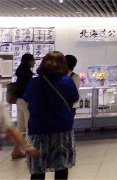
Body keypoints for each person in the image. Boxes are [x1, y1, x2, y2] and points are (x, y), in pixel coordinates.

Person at [23, 51, 79, 180]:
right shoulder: (67, 81)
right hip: (62, 129)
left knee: (37, 169)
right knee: (61, 167)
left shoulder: (34, 82)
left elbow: (26, 99)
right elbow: (75, 99)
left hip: (38, 129)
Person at [13, 53, 35, 158]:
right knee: (28, 125)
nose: (34, 62)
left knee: (20, 126)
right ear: (28, 61)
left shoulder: (20, 72)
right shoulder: (28, 74)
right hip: (26, 101)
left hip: (19, 100)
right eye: (33, 60)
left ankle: (16, 149)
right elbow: (30, 88)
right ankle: (28, 149)